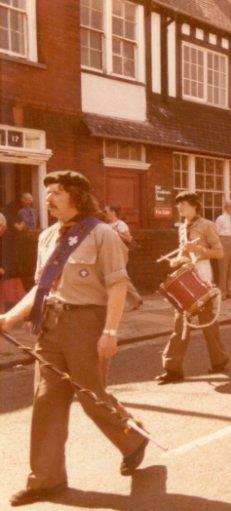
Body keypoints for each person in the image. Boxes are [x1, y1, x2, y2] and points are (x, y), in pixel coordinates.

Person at [1, 171, 148, 506]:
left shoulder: (102, 234)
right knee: (46, 401)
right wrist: (9, 318)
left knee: (92, 396)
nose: (49, 199)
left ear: (77, 196)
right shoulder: (48, 236)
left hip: (88, 323)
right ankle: (46, 480)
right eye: (48, 193)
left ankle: (133, 439)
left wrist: (110, 332)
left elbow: (117, 285)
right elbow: (41, 287)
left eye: (57, 193)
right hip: (51, 325)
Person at [156, 192, 229, 384]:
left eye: (184, 204)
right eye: (178, 204)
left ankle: (219, 360)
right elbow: (184, 253)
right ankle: (172, 369)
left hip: (203, 277)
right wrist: (177, 260)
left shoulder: (207, 225)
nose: (179, 208)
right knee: (181, 322)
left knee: (208, 322)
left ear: (195, 206)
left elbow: (219, 252)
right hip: (187, 277)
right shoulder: (182, 227)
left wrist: (200, 250)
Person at [104, 205, 143, 310]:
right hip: (108, 252)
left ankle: (134, 299)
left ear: (112, 212)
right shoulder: (106, 225)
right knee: (115, 276)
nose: (104, 213)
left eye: (106, 211)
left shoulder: (120, 224)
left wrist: (116, 233)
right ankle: (135, 299)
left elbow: (129, 238)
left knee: (118, 275)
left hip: (119, 252)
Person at [215, 200, 231, 299]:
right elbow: (216, 233)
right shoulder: (220, 219)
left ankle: (229, 290)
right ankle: (222, 292)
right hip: (223, 240)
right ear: (225, 207)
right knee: (223, 267)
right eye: (230, 206)